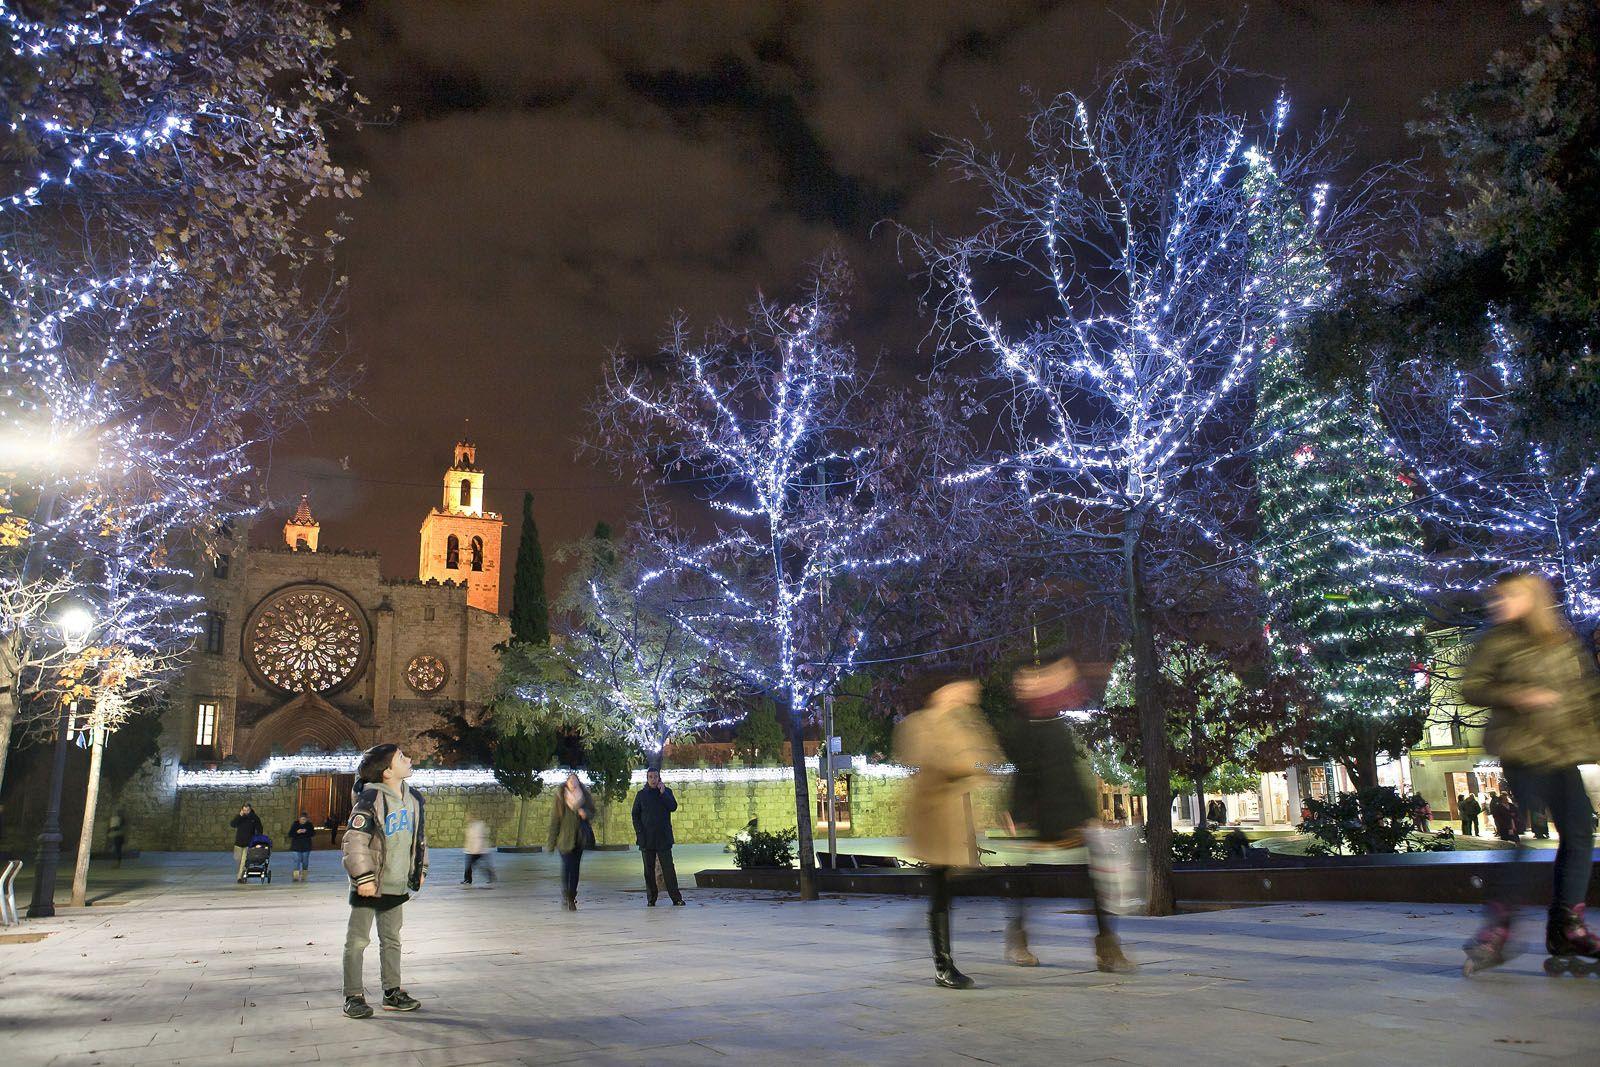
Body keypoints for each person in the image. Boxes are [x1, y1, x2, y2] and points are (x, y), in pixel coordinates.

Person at [1460, 572, 1600, 974]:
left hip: (1563, 752)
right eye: (1496, 598)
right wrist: (1516, 695)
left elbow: (1585, 699)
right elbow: (1472, 686)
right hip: (1521, 748)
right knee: (1522, 834)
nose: (1498, 605)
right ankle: (1498, 929)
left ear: (1533, 597)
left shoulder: (1563, 640)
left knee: (1578, 834)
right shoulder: (1496, 641)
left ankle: (1567, 927)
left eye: (1508, 596)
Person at [1003, 657, 1135, 973]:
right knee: (1030, 880)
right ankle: (1018, 939)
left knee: (1087, 881)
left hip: (1067, 813)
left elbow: (1069, 773)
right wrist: (1018, 812)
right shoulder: (1022, 727)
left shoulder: (1054, 722)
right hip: (1041, 815)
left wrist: (1088, 813)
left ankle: (1106, 947)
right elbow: (1023, 773)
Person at [894, 671, 1002, 989]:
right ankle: (943, 964)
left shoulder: (966, 721)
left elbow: (987, 757)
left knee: (944, 889)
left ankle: (941, 958)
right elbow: (934, 758)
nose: (973, 693)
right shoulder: (922, 723)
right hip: (934, 818)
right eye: (966, 687)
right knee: (940, 887)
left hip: (955, 817)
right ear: (947, 688)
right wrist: (966, 765)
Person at [341, 744, 428, 1018]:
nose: (409, 758)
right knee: (357, 941)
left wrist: (419, 869)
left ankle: (392, 992)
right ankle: (353, 995)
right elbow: (354, 841)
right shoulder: (370, 800)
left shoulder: (413, 799)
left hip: (396, 882)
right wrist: (363, 877)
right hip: (370, 883)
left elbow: (419, 839)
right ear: (387, 771)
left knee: (392, 939)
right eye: (402, 757)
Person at [632, 768, 685, 906]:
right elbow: (635, 815)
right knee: (648, 871)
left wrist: (663, 794)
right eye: (650, 777)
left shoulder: (666, 793)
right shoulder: (641, 795)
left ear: (659, 778)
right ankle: (651, 899)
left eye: (655, 777)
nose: (653, 779)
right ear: (647, 779)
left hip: (663, 837)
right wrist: (639, 833)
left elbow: (673, 807)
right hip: (647, 838)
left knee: (669, 869)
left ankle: (676, 898)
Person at [548, 771, 594, 911]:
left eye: (575, 780)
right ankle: (566, 894)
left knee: (575, 869)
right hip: (564, 839)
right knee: (567, 866)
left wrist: (585, 813)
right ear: (567, 783)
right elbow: (555, 820)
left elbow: (593, 812)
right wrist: (551, 842)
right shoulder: (561, 798)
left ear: (578, 782)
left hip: (579, 838)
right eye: (570, 780)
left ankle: (571, 896)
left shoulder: (584, 796)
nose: (573, 783)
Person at [229, 803, 264, 883]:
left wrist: (257, 841)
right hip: (238, 842)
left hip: (248, 843)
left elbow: (260, 829)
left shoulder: (254, 818)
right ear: (242, 810)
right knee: (237, 859)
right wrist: (239, 816)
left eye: (247, 810)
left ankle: (239, 877)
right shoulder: (240, 817)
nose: (246, 812)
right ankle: (244, 870)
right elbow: (232, 824)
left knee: (243, 861)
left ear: (250, 809)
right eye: (244, 810)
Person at [462, 819, 496, 887]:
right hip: (472, 850)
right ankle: (468, 879)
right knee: (470, 866)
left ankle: (468, 880)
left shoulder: (478, 826)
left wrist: (475, 850)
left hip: (477, 851)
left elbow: (478, 839)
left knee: (470, 866)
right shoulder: (471, 826)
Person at [288, 812, 317, 881]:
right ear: (299, 819)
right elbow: (290, 834)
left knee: (305, 862)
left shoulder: (309, 825)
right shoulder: (295, 825)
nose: (303, 821)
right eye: (301, 819)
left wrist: (306, 831)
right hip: (296, 846)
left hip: (306, 847)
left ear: (307, 819)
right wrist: (297, 832)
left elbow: (313, 833)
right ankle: (296, 877)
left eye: (304, 819)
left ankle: (304, 876)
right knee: (296, 862)